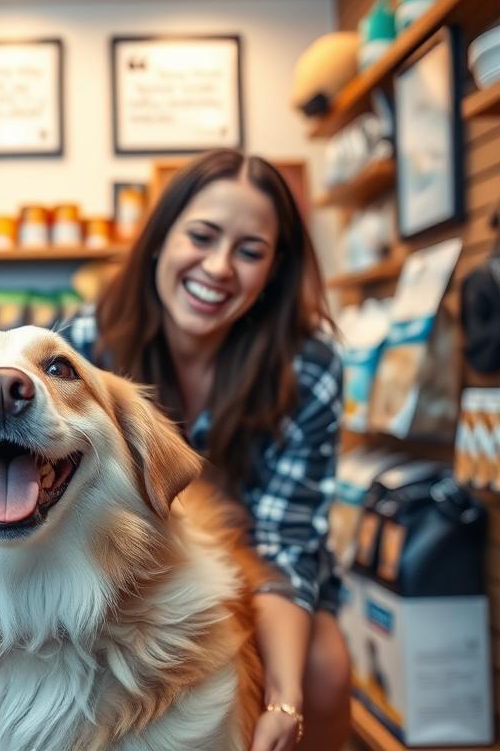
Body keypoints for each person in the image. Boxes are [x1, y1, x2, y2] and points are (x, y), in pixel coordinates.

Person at [69, 149, 351, 751]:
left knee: (323, 674)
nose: (219, 267)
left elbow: (288, 544)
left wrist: (283, 695)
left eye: (250, 251)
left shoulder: (310, 368)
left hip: (262, 571)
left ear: (275, 270)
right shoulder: (84, 347)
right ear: (159, 238)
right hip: (123, 571)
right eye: (201, 236)